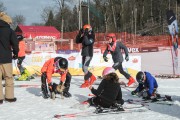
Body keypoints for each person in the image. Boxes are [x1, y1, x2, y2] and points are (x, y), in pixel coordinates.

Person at [0, 12, 19, 104]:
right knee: (8, 77)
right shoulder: (10, 31)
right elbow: (15, 44)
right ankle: (9, 97)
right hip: (6, 58)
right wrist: (16, 54)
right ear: (7, 22)